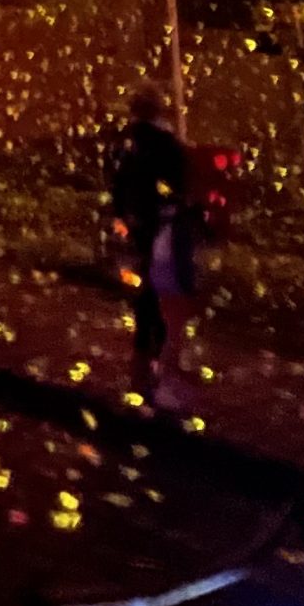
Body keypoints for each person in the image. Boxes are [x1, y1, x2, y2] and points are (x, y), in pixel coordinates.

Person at [104, 87, 194, 399]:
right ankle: (156, 348)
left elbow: (117, 179)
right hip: (161, 221)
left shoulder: (128, 141)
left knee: (145, 280)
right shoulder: (164, 143)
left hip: (137, 220)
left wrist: (122, 214)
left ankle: (146, 347)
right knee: (161, 282)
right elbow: (178, 182)